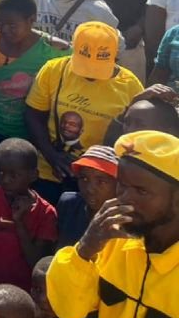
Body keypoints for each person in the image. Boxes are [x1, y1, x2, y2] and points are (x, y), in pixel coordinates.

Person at [46, 130, 179, 318]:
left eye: (141, 191)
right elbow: (68, 310)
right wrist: (84, 249)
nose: (124, 198)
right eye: (122, 186)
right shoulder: (115, 240)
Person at [25, 21, 144, 205]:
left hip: (97, 184)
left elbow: (134, 138)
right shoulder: (53, 70)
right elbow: (33, 114)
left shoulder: (130, 85)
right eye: (86, 65)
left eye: (98, 66)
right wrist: (52, 156)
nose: (91, 74)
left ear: (115, 57)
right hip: (49, 173)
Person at [0, 0, 70, 179]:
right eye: (0, 23)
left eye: (12, 25)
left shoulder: (53, 50)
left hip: (29, 138)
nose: (5, 30)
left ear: (31, 20)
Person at [0, 138, 58, 293]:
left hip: (24, 292)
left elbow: (36, 261)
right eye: (0, 172)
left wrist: (19, 222)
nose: (5, 180)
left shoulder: (46, 213)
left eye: (14, 175)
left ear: (34, 175)